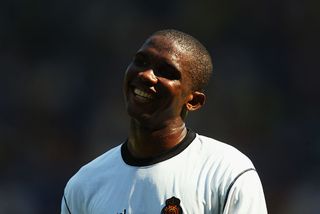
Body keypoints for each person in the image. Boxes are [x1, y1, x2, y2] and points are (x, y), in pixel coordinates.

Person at [61, 29, 267, 214]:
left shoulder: (226, 172)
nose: (146, 75)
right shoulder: (84, 185)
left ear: (193, 101)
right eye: (140, 61)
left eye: (166, 72)